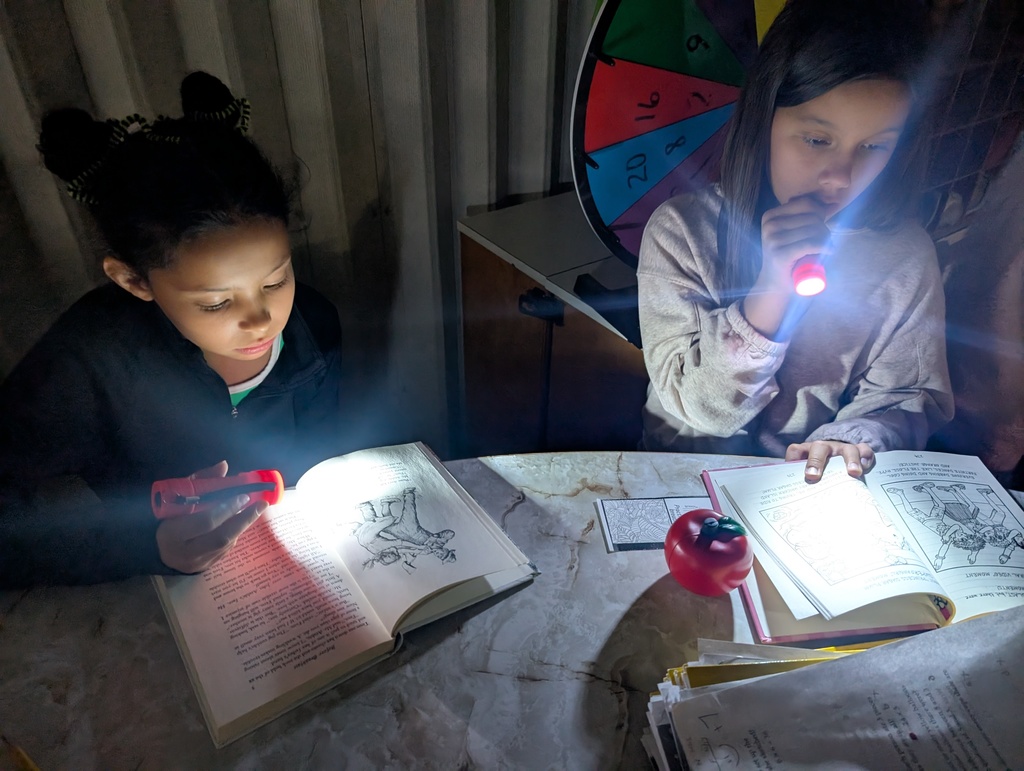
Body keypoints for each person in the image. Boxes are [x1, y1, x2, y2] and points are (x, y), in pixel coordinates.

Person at [0, 72, 347, 587]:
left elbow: (322, 451)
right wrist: (145, 546)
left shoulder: (310, 326)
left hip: (290, 574)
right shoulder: (92, 361)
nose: (261, 319)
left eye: (275, 280)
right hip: (154, 593)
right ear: (134, 280)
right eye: (216, 302)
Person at [637, 0, 954, 482]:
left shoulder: (904, 256)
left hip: (804, 491)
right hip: (677, 477)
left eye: (874, 147)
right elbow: (698, 411)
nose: (840, 178)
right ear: (764, 120)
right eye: (816, 140)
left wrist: (853, 439)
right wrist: (772, 295)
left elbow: (905, 397)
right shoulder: (682, 233)